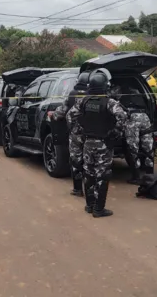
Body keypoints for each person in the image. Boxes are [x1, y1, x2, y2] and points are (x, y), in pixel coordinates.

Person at [77, 69, 127, 218]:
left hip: (87, 143)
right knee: (103, 175)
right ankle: (98, 209)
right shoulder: (109, 102)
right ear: (105, 86)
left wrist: (80, 132)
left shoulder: (83, 101)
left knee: (89, 173)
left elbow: (70, 116)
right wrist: (115, 133)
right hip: (103, 144)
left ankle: (89, 205)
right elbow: (122, 117)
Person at [55, 72, 90, 197]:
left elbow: (62, 112)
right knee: (91, 162)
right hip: (91, 134)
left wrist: (54, 116)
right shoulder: (93, 95)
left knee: (76, 160)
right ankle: (91, 191)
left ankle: (77, 189)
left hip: (75, 134)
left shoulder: (71, 95)